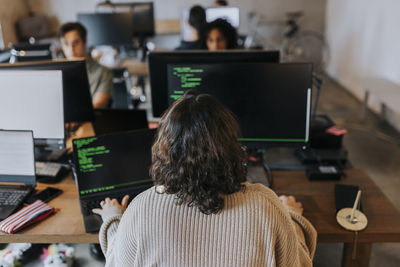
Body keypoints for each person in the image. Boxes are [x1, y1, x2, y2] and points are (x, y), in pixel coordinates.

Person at [93, 91, 317, 266]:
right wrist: (292, 216)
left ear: (164, 150)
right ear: (230, 147)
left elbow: (117, 261)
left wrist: (113, 219)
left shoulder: (141, 209)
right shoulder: (267, 206)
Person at [58, 22, 113, 109]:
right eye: (66, 44)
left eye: (75, 43)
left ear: (85, 41)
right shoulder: (57, 72)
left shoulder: (103, 72)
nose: (71, 49)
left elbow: (98, 106)